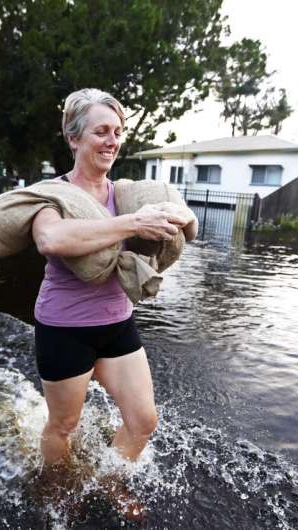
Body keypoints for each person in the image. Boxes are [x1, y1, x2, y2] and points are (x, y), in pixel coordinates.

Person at [31, 88, 198, 474]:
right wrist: (135, 223)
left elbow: (191, 230)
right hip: (65, 328)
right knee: (64, 426)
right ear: (74, 138)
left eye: (118, 132)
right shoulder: (53, 195)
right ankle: (57, 491)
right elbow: (50, 239)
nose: (112, 142)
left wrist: (182, 216)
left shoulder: (127, 195)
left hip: (118, 323)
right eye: (101, 131)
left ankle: (109, 481)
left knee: (143, 421)